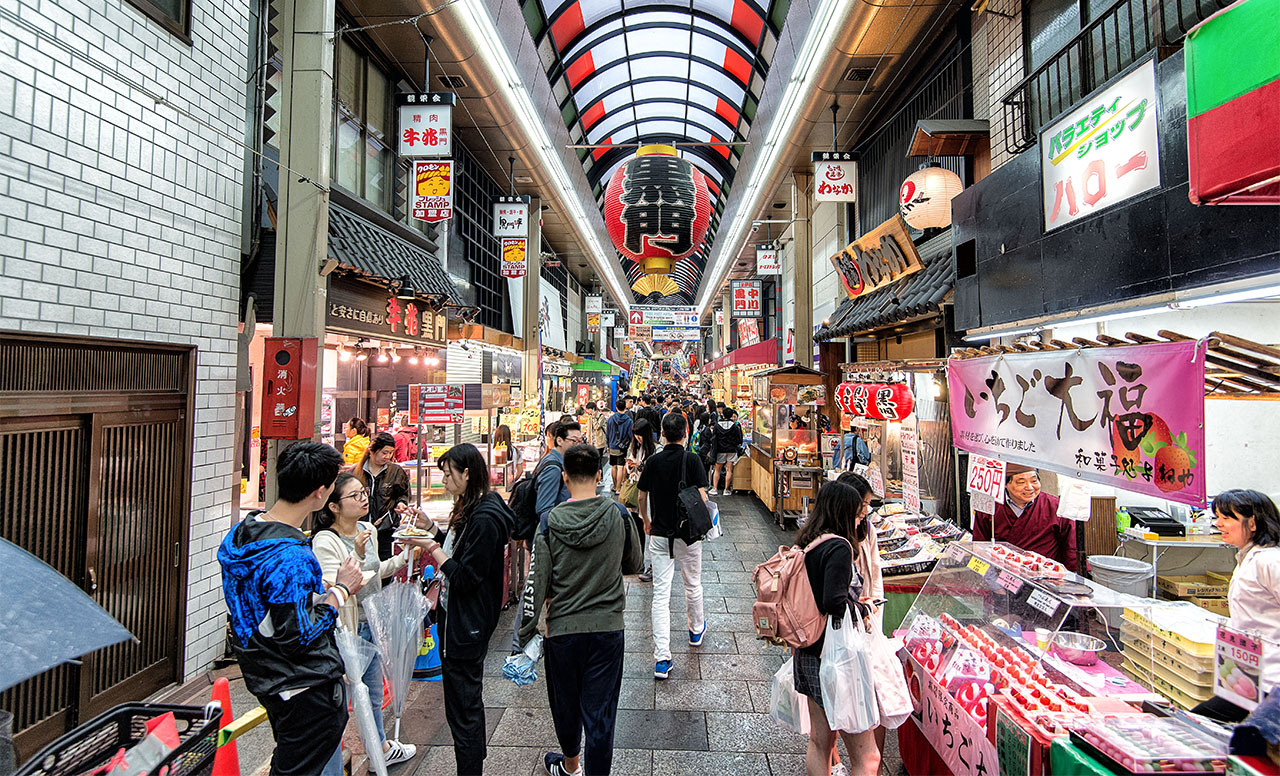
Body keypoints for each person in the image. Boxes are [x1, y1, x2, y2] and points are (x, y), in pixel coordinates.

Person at [218, 442, 362, 776]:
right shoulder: (290, 557)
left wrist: (310, 594)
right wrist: (340, 590)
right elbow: (297, 635)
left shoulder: (242, 534)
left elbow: (268, 607)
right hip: (303, 686)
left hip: (265, 675)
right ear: (321, 492)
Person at [517, 445, 644, 776]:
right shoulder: (619, 515)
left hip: (562, 631)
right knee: (601, 714)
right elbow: (634, 563)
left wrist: (526, 634)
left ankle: (570, 766)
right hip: (607, 630)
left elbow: (537, 582)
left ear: (564, 477)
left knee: (565, 705)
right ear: (599, 475)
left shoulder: (548, 522)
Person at [402, 443, 514, 775]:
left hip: (467, 626)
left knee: (463, 708)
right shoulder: (475, 506)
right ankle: (472, 762)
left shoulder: (483, 518)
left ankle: (469, 768)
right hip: (462, 620)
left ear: (467, 473)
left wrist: (431, 547)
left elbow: (465, 576)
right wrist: (432, 529)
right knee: (465, 704)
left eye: (448, 475)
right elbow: (461, 551)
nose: (444, 481)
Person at [311, 474, 416, 766]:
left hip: (371, 619)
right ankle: (332, 756)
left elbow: (376, 571)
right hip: (347, 628)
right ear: (333, 506)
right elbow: (338, 585)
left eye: (363, 493)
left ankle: (379, 751)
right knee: (339, 699)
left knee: (370, 694)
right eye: (354, 496)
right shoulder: (325, 540)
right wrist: (355, 551)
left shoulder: (368, 528)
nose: (363, 499)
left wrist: (407, 556)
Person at [791, 480, 881, 776]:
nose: (861, 517)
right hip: (834, 656)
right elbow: (833, 602)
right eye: (858, 511)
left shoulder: (808, 541)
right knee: (867, 757)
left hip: (806, 650)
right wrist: (864, 607)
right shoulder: (839, 547)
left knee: (821, 742)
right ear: (843, 511)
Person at [1190, 489, 1280, 722]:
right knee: (1202, 721)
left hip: (1272, 680)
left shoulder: (1269, 561)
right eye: (1217, 517)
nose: (1218, 524)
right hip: (1249, 674)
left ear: (1253, 523)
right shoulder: (1246, 558)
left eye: (1226, 517)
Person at [637, 412, 708, 680]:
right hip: (688, 535)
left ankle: (662, 658)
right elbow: (701, 495)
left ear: (662, 434)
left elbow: (642, 495)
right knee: (693, 584)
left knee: (661, 596)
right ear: (686, 432)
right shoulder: (693, 460)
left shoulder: (653, 462)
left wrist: (646, 519)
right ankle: (695, 631)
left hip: (659, 535)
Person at [972, 464, 1077, 571]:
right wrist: (990, 583)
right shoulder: (989, 507)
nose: (1030, 487)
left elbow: (1071, 548)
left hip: (1045, 577)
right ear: (1005, 484)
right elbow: (979, 549)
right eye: (1021, 482)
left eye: (1034, 481)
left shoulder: (1055, 506)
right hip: (1001, 577)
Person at [357, 432, 412, 561]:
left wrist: (401, 503)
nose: (388, 456)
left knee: (384, 566)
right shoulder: (357, 473)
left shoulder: (396, 472)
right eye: (384, 452)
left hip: (385, 529)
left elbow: (403, 494)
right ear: (372, 451)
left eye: (390, 453)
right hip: (360, 528)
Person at [537, 422, 583, 533]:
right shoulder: (553, 468)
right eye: (573, 440)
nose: (578, 444)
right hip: (555, 533)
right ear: (559, 441)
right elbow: (544, 509)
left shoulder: (562, 462)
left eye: (580, 440)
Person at [625, 419, 656, 581]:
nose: (638, 438)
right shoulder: (634, 447)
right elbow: (629, 466)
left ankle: (652, 564)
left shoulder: (654, 449)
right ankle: (639, 561)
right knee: (637, 527)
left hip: (648, 493)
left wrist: (640, 464)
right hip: (635, 488)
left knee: (647, 525)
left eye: (640, 435)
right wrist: (630, 466)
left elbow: (653, 471)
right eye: (636, 435)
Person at [709, 407, 744, 496]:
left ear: (722, 414)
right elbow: (739, 439)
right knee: (729, 470)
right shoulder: (735, 426)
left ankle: (714, 488)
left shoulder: (717, 425)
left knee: (717, 470)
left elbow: (714, 438)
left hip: (720, 450)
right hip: (732, 450)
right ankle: (726, 489)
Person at [605, 401, 634, 496]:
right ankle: (618, 488)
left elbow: (607, 433)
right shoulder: (629, 420)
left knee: (613, 466)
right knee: (620, 467)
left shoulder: (610, 419)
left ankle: (614, 486)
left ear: (616, 407)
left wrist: (608, 445)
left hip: (612, 445)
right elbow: (630, 435)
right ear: (625, 407)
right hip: (623, 447)